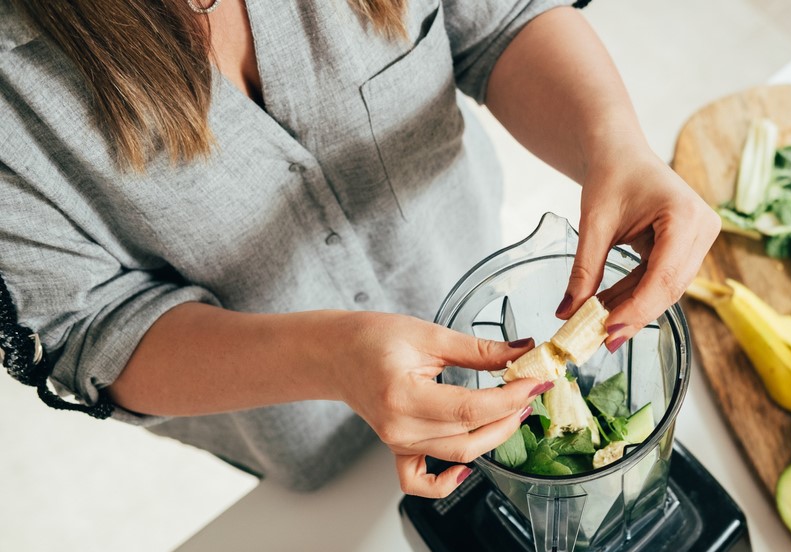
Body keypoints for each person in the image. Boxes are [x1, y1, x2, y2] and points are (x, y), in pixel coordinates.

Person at [0, 0, 719, 498]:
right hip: (300, 436)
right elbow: (88, 330)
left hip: (462, 270)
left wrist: (613, 143)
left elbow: (499, 20)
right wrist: (332, 357)